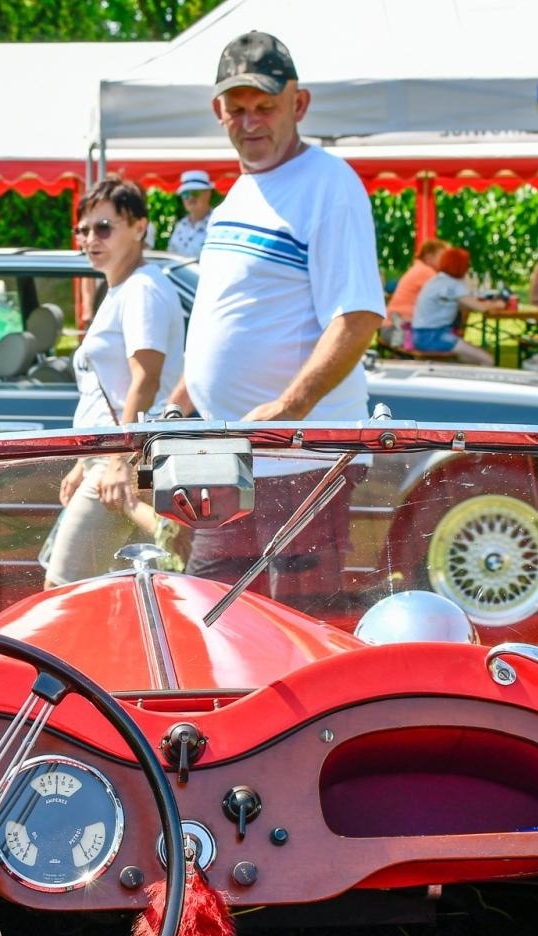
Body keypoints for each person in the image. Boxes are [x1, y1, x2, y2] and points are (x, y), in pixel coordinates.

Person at [165, 31, 383, 597]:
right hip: (221, 453)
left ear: (299, 104)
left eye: (265, 106)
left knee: (295, 636)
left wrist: (288, 411)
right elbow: (222, 320)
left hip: (298, 462)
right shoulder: (237, 194)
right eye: (236, 109)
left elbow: (358, 316)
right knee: (208, 618)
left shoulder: (328, 183)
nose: (250, 121)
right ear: (218, 112)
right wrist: (176, 408)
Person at [44, 178, 185, 587]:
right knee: (100, 593)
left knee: (61, 587)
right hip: (110, 459)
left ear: (139, 228)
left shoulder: (142, 288)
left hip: (126, 459)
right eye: (83, 230)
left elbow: (146, 379)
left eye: (104, 227)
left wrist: (116, 462)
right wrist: (82, 462)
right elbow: (110, 386)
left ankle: (176, 540)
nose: (90, 238)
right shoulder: (123, 289)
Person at [411, 247, 500, 365]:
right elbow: (480, 307)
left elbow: (464, 304)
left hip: (420, 336)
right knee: (487, 360)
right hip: (434, 337)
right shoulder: (453, 284)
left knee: (467, 361)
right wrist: (499, 304)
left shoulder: (438, 280)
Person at [386, 238, 449, 335]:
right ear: (429, 257)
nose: (445, 261)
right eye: (442, 257)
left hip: (390, 327)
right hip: (399, 331)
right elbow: (447, 296)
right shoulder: (426, 272)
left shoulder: (418, 268)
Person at [166, 170, 214, 258]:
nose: (190, 197)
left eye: (195, 193)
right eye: (185, 194)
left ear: (208, 193)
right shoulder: (180, 225)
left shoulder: (217, 223)